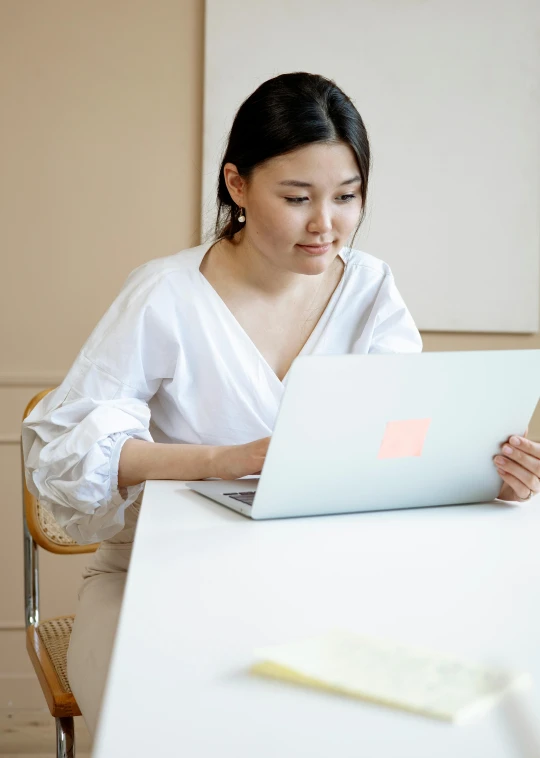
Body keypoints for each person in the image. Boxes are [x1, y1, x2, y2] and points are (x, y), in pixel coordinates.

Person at [21, 71, 539, 740]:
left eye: (347, 197)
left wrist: (482, 471)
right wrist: (224, 460)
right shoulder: (165, 295)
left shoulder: (371, 288)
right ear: (237, 184)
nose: (326, 225)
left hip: (324, 583)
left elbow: (396, 443)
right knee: (196, 727)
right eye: (297, 197)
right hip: (159, 580)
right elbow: (65, 453)